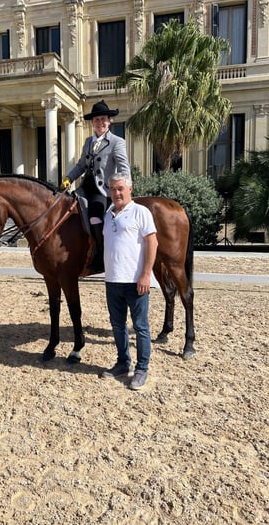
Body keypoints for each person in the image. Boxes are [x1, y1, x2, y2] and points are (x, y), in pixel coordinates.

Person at [100, 172, 158, 391]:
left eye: (120, 188)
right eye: (113, 189)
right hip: (113, 280)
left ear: (130, 189)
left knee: (141, 326)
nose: (116, 193)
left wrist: (145, 274)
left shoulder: (140, 212)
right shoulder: (108, 214)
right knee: (117, 325)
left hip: (135, 281)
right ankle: (123, 362)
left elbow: (152, 243)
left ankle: (142, 369)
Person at [61, 100, 130, 273]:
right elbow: (81, 166)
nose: (100, 123)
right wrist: (68, 177)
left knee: (95, 217)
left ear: (109, 121)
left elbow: (123, 167)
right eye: (97, 120)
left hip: (103, 190)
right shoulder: (88, 142)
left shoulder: (116, 142)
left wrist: (126, 187)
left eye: (103, 119)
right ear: (93, 122)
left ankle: (100, 256)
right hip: (85, 187)